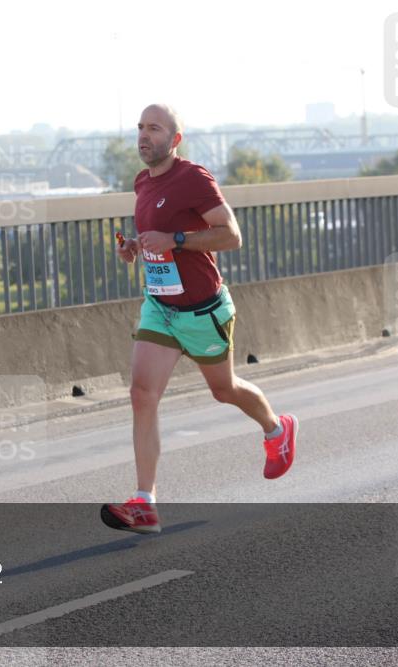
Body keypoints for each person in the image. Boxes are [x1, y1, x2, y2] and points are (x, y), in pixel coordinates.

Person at [101, 105, 298, 534]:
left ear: (175, 139)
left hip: (202, 309)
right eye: (140, 128)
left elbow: (231, 236)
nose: (143, 135)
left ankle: (275, 427)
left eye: (154, 128)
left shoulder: (193, 178)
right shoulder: (142, 183)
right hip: (161, 306)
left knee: (224, 390)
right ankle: (145, 502)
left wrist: (174, 240)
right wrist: (137, 246)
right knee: (141, 393)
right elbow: (160, 239)